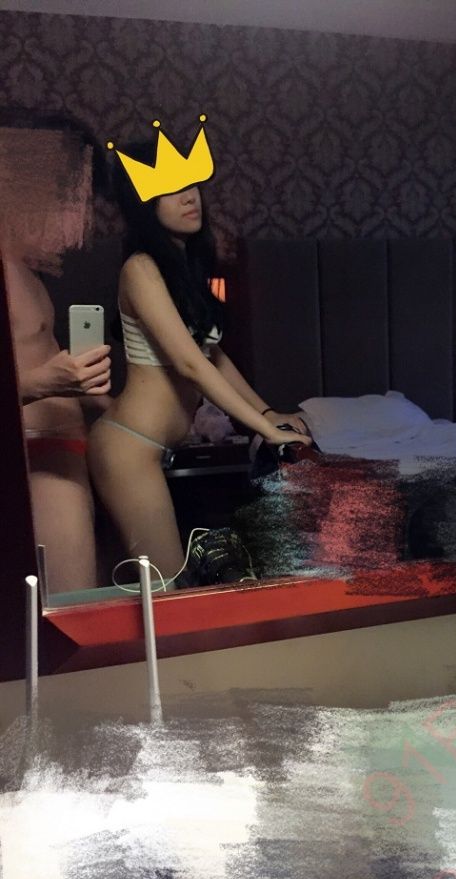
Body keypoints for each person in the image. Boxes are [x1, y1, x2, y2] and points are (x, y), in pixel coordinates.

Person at [87, 140, 311, 582]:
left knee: (164, 589)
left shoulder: (184, 265)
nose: (190, 197)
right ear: (144, 202)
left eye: (191, 183)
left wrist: (266, 413)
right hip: (129, 447)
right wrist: (266, 430)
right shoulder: (140, 268)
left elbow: (213, 355)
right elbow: (191, 365)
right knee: (166, 592)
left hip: (155, 447)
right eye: (171, 189)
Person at [0, 109, 111, 593]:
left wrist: (97, 397)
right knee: (71, 607)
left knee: (78, 600)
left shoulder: (23, 264)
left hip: (64, 447)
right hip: (34, 453)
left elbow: (35, 348)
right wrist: (45, 383)